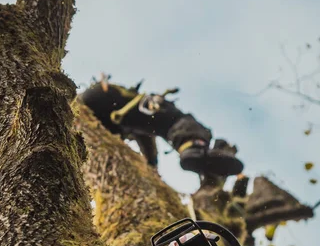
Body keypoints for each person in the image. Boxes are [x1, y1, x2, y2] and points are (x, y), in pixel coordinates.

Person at [80, 74, 244, 178]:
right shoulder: (127, 102)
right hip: (103, 100)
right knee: (174, 119)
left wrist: (152, 164)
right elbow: (147, 136)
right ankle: (193, 145)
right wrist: (152, 163)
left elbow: (144, 137)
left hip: (97, 112)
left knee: (153, 125)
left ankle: (193, 148)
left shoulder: (129, 121)